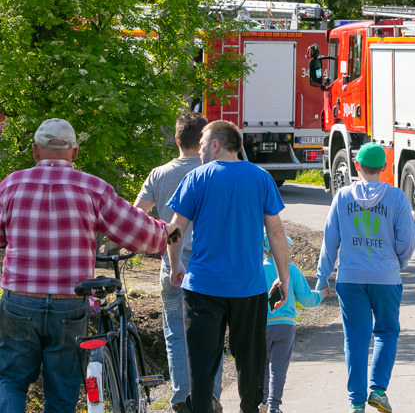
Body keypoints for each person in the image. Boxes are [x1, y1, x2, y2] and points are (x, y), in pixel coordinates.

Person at [0, 118, 174, 413]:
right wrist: (164, 231)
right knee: (63, 390)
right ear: (75, 153)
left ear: (34, 151)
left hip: (20, 302)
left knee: (10, 380)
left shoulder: (11, 185)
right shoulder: (92, 188)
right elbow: (136, 233)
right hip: (70, 305)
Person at [166, 120, 293, 413]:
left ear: (215, 145)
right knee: (250, 364)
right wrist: (283, 279)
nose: (199, 151)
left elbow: (175, 229)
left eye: (201, 145)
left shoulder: (197, 179)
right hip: (248, 288)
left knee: (201, 368)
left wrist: (176, 265)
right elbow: (275, 233)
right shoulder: (261, 178)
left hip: (202, 289)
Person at [316, 142, 415, 413]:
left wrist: (322, 277)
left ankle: (356, 402)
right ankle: (378, 389)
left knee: (355, 338)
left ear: (357, 166)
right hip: (386, 278)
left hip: (350, 279)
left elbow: (330, 241)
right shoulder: (396, 198)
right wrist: (398, 263)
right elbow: (406, 240)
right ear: (384, 167)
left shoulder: (343, 197)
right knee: (386, 331)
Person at [133, 112, 224, 413]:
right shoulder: (216, 173)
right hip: (210, 265)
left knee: (175, 334)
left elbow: (138, 214)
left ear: (176, 140)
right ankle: (209, 396)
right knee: (211, 333)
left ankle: (182, 398)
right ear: (204, 141)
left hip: (171, 265)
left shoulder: (158, 174)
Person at [261, 232, 328, 413]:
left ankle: (262, 401)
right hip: (285, 326)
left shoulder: (257, 269)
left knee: (264, 364)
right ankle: (274, 406)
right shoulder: (291, 270)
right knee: (279, 367)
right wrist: (322, 293)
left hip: (261, 326)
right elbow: (308, 300)